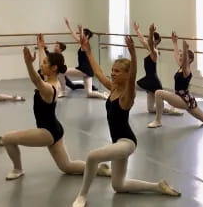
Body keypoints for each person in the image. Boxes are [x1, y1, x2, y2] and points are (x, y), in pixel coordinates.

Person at [72, 27, 180, 207]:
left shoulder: (127, 96)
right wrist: (88, 51)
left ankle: (82, 196)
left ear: (126, 75)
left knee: (92, 157)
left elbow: (132, 80)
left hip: (126, 142)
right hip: (117, 143)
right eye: (113, 70)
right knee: (118, 185)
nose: (112, 73)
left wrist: (134, 56)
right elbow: (98, 72)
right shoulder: (113, 88)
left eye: (117, 71)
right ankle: (158, 186)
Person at [1, 34, 111, 180]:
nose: (42, 64)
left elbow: (36, 80)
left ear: (53, 68)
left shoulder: (48, 88)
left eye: (45, 63)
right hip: (55, 129)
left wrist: (28, 63)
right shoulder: (51, 80)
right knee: (67, 166)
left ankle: (17, 169)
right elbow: (41, 69)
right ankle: (99, 169)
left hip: (47, 132)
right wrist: (41, 48)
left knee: (8, 138)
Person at [133, 22, 182, 115]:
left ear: (155, 41)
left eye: (150, 38)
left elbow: (149, 43)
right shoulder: (151, 50)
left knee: (131, 85)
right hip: (149, 80)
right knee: (151, 109)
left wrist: (151, 32)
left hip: (152, 81)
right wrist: (137, 30)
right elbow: (143, 40)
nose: (148, 39)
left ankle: (170, 107)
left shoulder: (155, 52)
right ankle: (169, 110)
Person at [63, 18, 107, 99]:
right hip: (88, 71)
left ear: (86, 36)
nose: (79, 36)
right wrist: (68, 25)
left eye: (81, 35)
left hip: (84, 70)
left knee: (61, 71)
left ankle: (62, 91)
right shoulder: (84, 44)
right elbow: (74, 35)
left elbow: (81, 38)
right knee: (89, 93)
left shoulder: (85, 45)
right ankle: (104, 95)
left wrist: (81, 30)